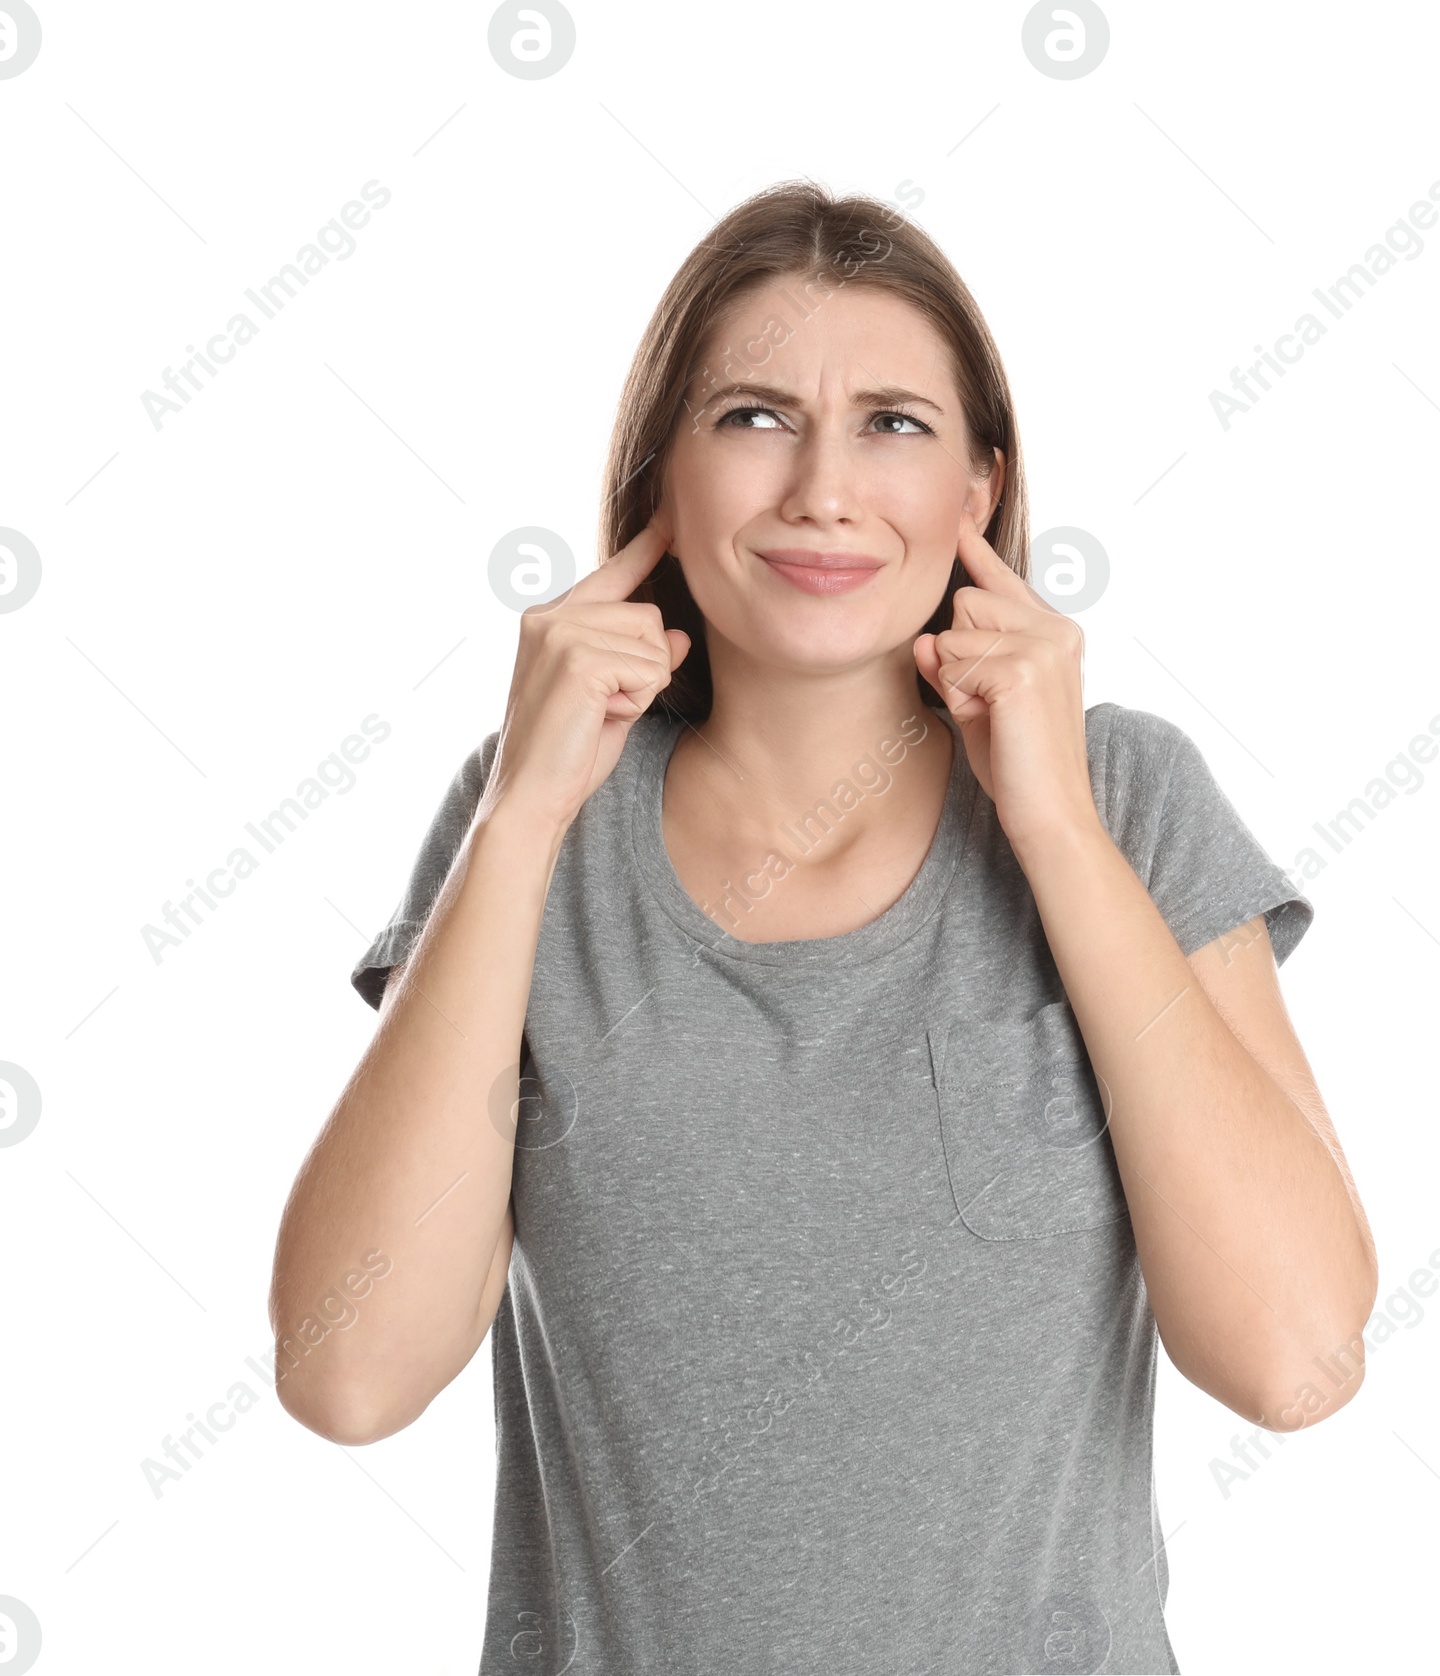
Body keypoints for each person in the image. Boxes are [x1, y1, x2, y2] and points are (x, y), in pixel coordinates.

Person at [269, 179, 1378, 1676]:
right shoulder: (530, 826)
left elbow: (1296, 1361)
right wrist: (521, 817)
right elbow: (348, 1375)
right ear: (663, 475)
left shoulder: (1127, 796)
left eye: (894, 424)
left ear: (979, 491)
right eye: (754, 417)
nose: (823, 490)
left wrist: (1051, 828)